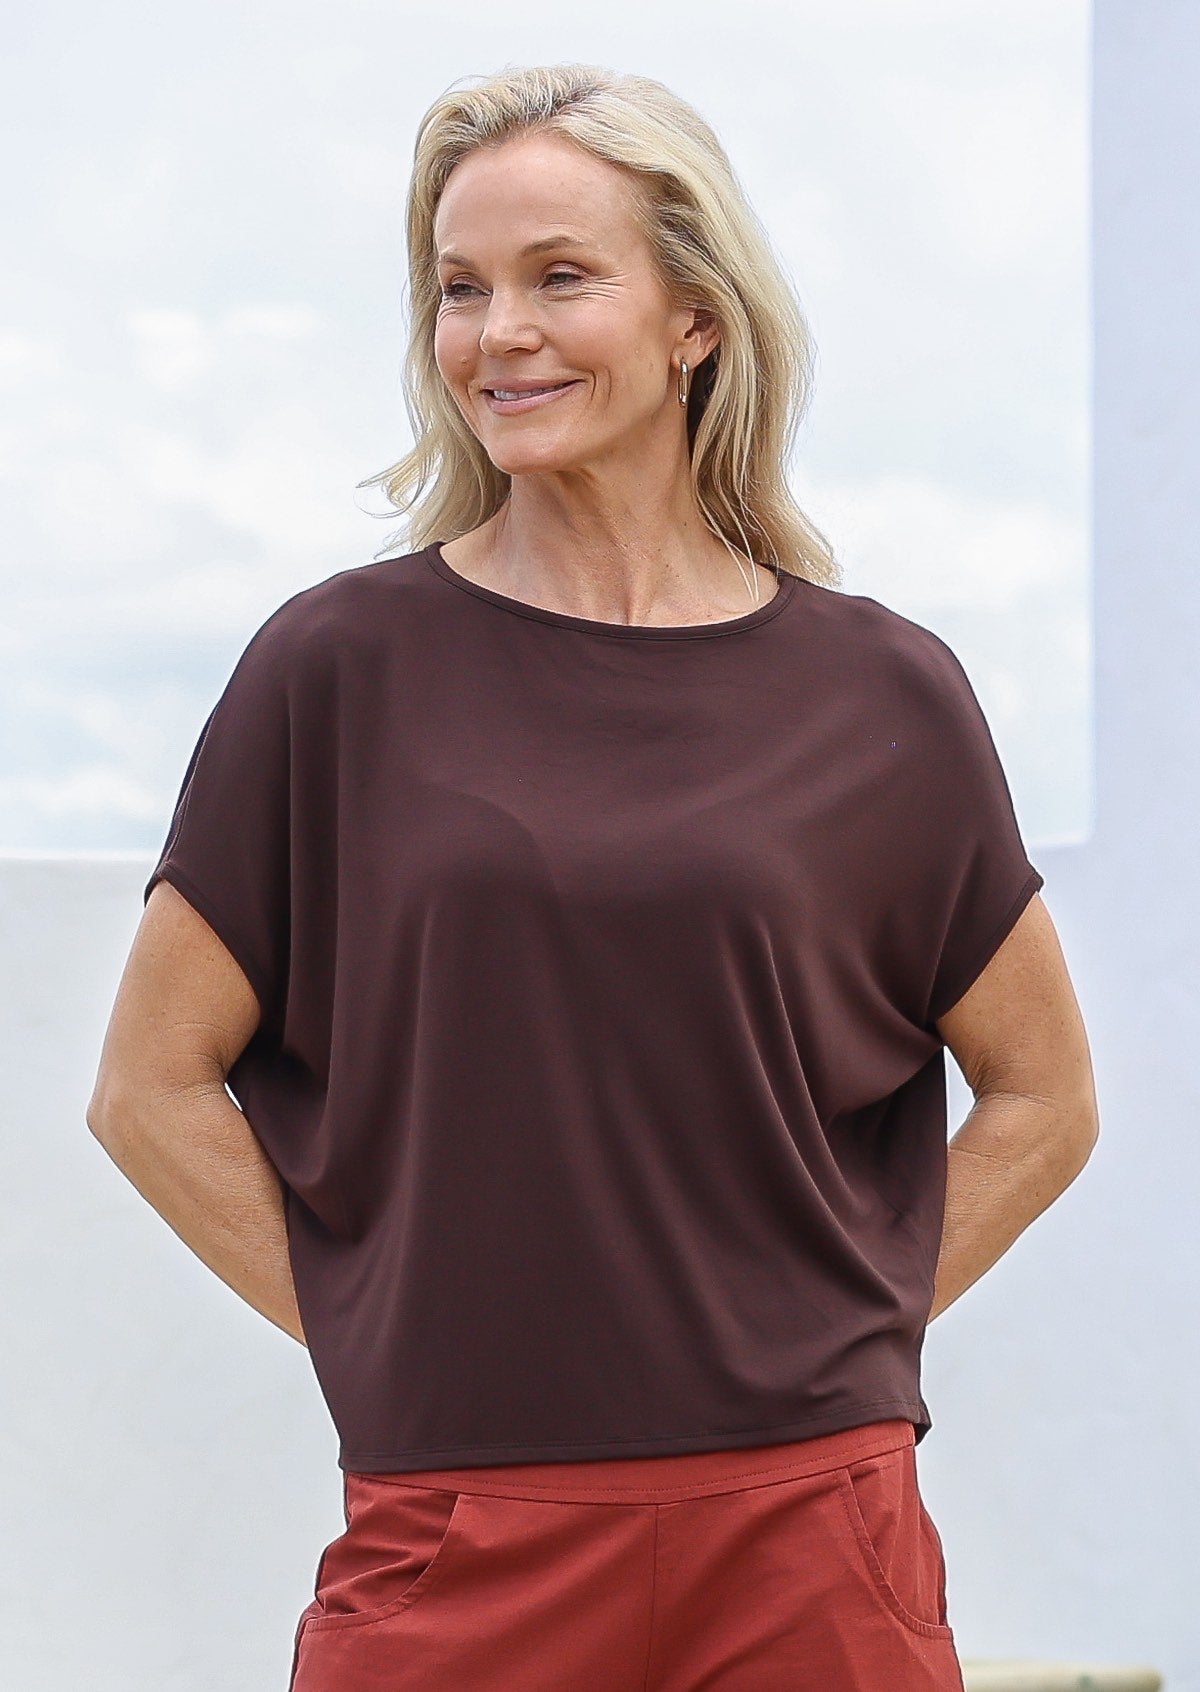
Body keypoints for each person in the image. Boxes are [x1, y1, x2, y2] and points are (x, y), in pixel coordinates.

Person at [87, 62, 1099, 1692]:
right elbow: (148, 1086)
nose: (501, 334)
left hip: (811, 1537)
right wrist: (387, 1337)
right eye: (461, 291)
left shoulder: (881, 693)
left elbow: (1047, 1091)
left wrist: (844, 1341)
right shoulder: (337, 669)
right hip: (459, 1533)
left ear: (696, 316)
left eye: (561, 276)